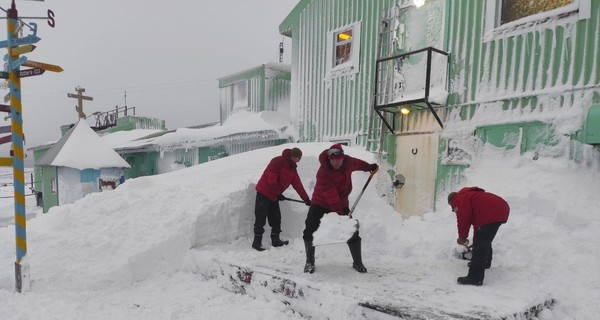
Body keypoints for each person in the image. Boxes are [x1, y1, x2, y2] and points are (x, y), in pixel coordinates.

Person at [302, 144, 378, 274]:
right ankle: (309, 262)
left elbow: (358, 164)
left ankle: (357, 262)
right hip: (320, 203)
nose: (335, 162)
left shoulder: (349, 162)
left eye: (338, 159)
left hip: (341, 202)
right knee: (310, 230)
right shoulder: (323, 172)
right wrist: (342, 215)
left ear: (343, 158)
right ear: (329, 159)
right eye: (333, 160)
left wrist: (369, 167)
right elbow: (331, 196)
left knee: (352, 231)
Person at [448, 187, 510, 286]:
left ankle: (475, 278)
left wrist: (462, 238)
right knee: (484, 240)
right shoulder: (469, 196)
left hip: (491, 212)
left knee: (480, 245)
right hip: (500, 208)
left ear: (451, 201)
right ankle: (485, 262)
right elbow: (477, 223)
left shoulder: (459, 200)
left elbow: (463, 219)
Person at [253, 147, 311, 251]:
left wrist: (306, 199)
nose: (299, 160)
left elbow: (298, 185)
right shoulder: (278, 161)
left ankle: (275, 240)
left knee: (276, 218)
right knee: (260, 218)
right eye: (299, 158)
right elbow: (271, 179)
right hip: (264, 192)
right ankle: (256, 242)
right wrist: (278, 193)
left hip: (274, 195)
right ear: (294, 156)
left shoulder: (292, 168)